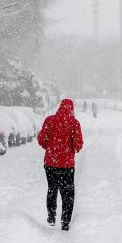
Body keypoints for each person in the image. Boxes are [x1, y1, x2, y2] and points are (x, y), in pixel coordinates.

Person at [38, 98, 83, 231]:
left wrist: (50, 147)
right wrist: (71, 149)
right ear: (71, 109)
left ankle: (51, 216)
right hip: (67, 166)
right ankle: (65, 221)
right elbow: (78, 145)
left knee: (52, 189)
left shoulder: (50, 120)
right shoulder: (74, 123)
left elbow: (41, 139)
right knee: (67, 194)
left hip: (51, 163)